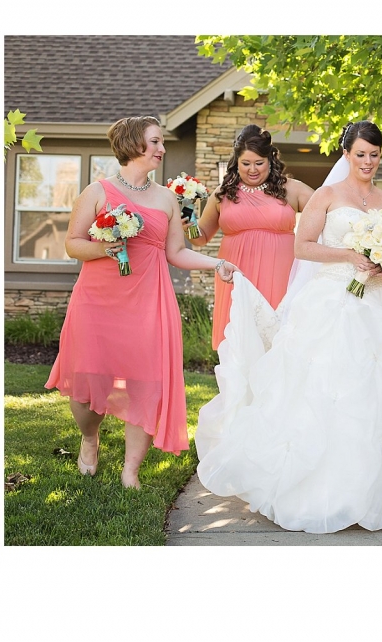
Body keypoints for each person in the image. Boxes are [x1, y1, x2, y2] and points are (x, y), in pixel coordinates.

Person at [195, 121, 382, 533]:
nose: (368, 162)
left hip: (374, 303)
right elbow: (301, 246)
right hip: (328, 300)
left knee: (373, 390)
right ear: (347, 154)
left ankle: (366, 483)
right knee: (322, 386)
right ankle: (315, 481)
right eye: (360, 154)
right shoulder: (325, 196)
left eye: (374, 155)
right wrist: (348, 255)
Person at [45, 116, 236, 489]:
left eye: (161, 142)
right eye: (155, 142)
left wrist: (218, 263)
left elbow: (177, 252)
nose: (161, 149)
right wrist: (104, 248)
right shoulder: (96, 191)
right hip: (97, 301)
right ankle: (89, 436)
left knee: (145, 384)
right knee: (86, 382)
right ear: (134, 144)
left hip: (149, 301)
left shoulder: (166, 198)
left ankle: (130, 470)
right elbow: (73, 243)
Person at [186, 124, 314, 349]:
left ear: (270, 160)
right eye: (246, 163)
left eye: (259, 163)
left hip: (280, 272)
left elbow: (327, 214)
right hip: (236, 275)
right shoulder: (222, 194)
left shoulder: (292, 189)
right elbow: (201, 237)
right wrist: (189, 223)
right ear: (236, 162)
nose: (252, 169)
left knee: (277, 339)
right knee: (239, 340)